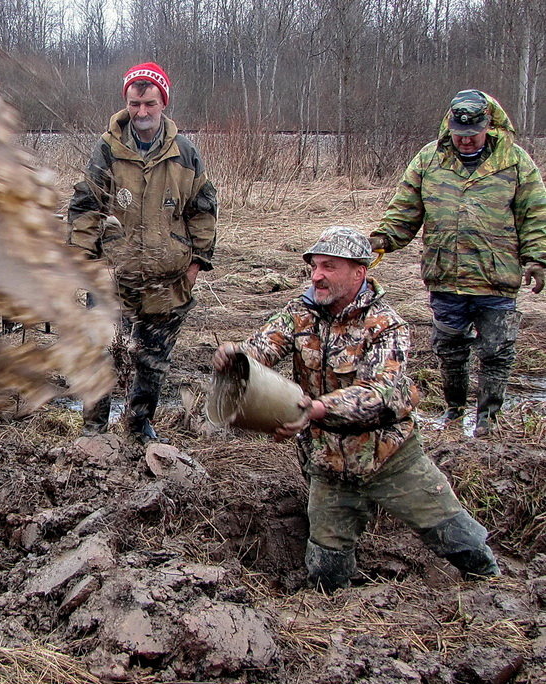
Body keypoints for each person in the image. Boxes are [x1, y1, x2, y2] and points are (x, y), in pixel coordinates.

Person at [212, 226, 499, 592]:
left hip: (390, 458)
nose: (317, 275)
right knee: (325, 570)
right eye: (315, 266)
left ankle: (494, 589)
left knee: (454, 536)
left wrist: (317, 409)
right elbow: (261, 350)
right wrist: (236, 356)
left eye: (329, 267)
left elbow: (380, 393)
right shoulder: (299, 312)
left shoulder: (386, 325)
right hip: (329, 463)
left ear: (359, 273)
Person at [369, 89, 546, 437]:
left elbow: (535, 215)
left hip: (496, 277)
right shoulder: (429, 159)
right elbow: (404, 212)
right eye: (459, 134)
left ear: (488, 127)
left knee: (496, 351)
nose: (465, 141)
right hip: (445, 274)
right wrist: (380, 241)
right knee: (450, 350)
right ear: (449, 127)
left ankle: (488, 422)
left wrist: (538, 259)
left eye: (473, 134)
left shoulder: (514, 161)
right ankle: (453, 414)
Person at [68, 62, 217, 443]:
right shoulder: (108, 149)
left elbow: (202, 209)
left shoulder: (184, 152)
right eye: (135, 104)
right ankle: (94, 430)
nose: (142, 112)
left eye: (150, 104)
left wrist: (196, 263)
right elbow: (86, 206)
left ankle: (139, 428)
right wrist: (83, 262)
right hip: (113, 277)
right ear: (127, 102)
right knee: (99, 353)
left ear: (163, 102)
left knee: (152, 360)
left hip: (167, 279)